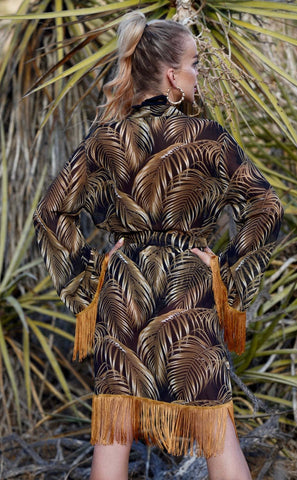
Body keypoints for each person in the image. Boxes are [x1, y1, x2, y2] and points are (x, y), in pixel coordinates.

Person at [33, 10, 283, 480]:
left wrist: (93, 272)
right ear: (172, 75)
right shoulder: (209, 137)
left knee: (114, 438)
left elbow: (50, 213)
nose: (197, 73)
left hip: (123, 293)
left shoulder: (106, 137)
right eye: (193, 64)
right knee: (217, 435)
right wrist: (223, 270)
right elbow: (266, 208)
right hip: (188, 294)